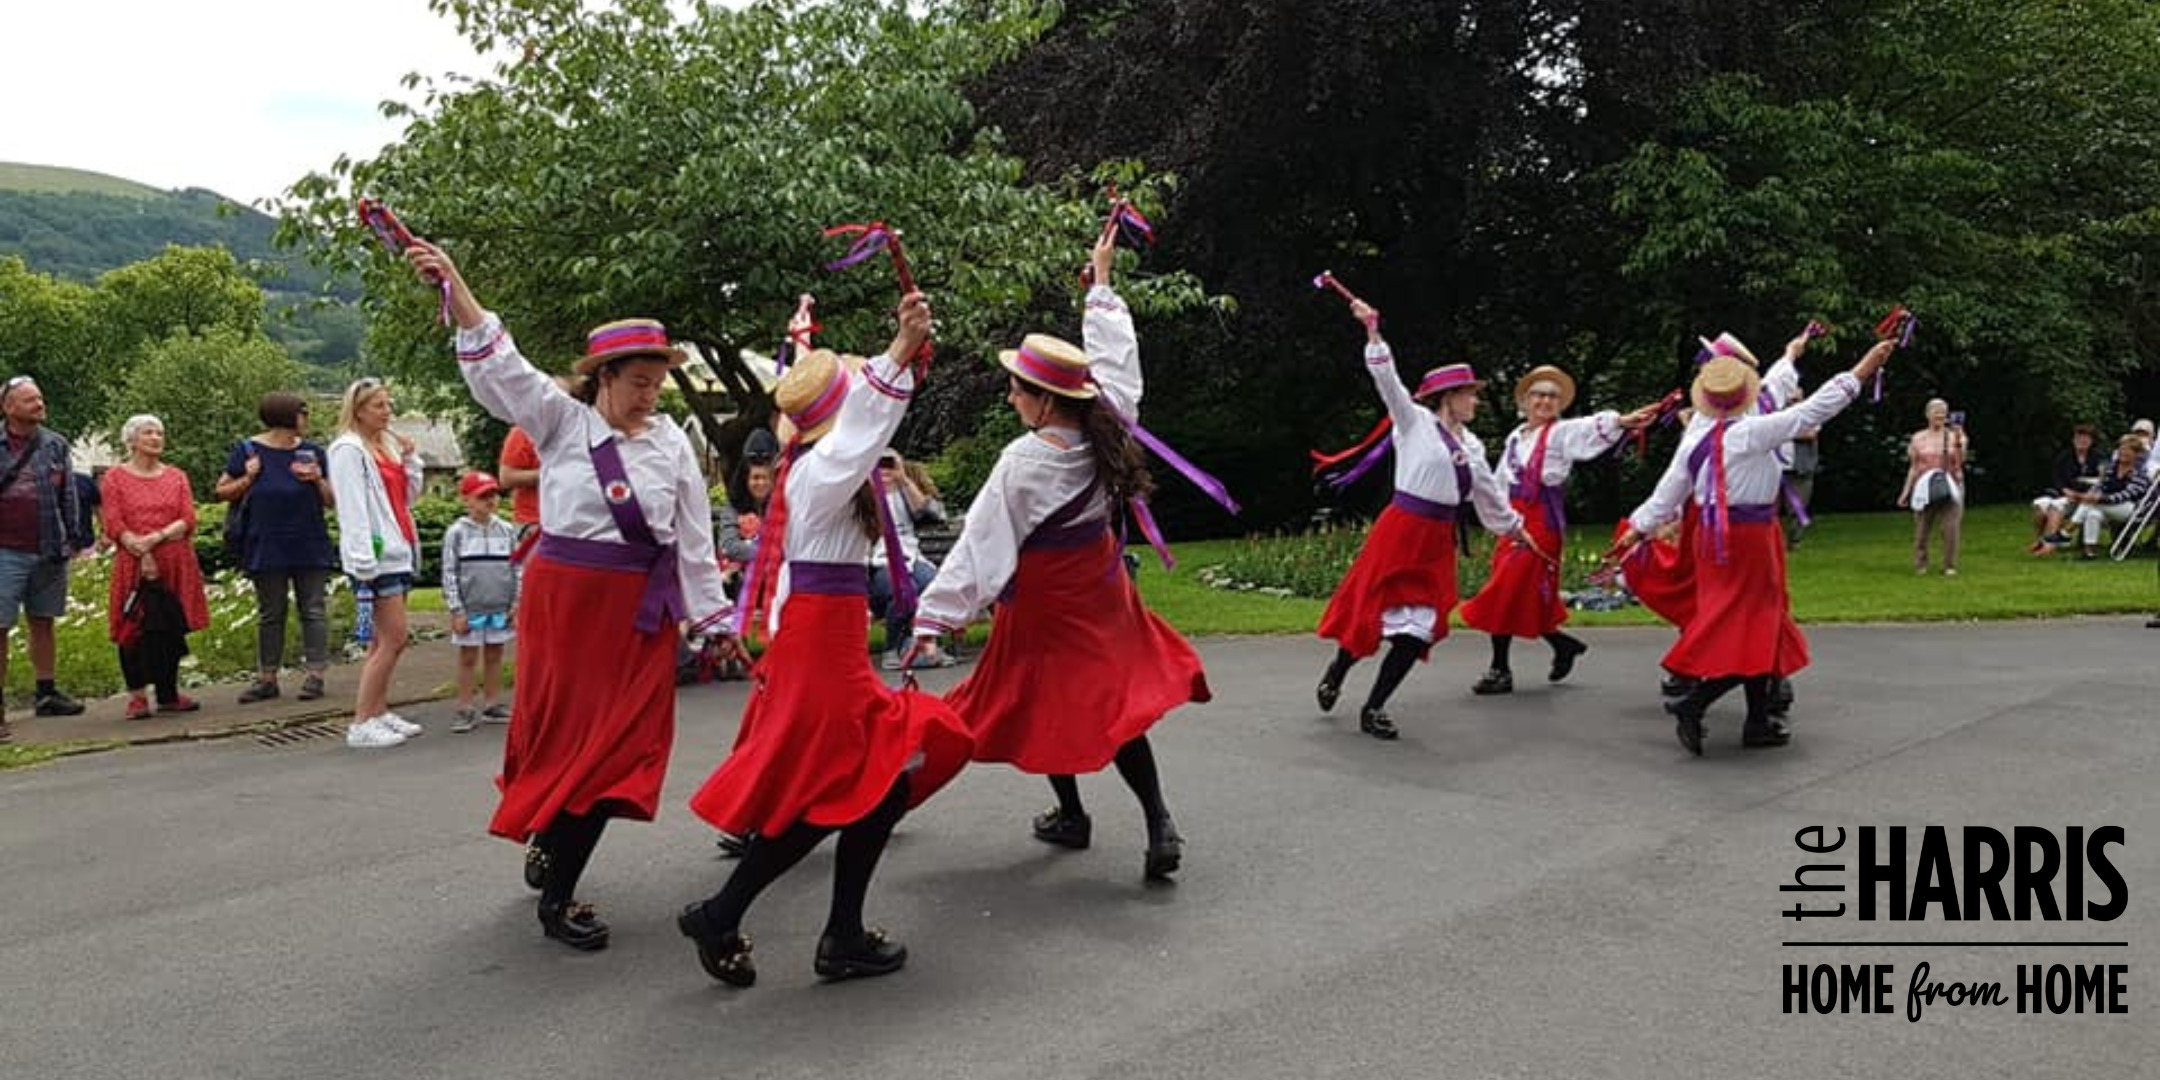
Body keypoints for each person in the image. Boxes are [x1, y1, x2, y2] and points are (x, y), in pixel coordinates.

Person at [404, 239, 740, 953]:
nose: (650, 394)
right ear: (604, 377)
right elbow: (503, 365)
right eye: (638, 381)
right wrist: (456, 281)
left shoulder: (673, 443)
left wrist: (714, 619)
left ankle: (552, 849)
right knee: (569, 740)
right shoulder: (561, 423)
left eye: (657, 382)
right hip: (568, 606)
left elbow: (689, 537)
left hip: (639, 610)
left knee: (622, 747)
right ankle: (558, 890)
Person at [685, 304, 975, 987]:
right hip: (823, 645)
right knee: (854, 784)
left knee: (872, 784)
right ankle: (737, 914)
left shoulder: (822, 473)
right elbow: (864, 430)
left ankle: (817, 928)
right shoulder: (822, 472)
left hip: (827, 638)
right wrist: (900, 348)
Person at [910, 234, 1207, 879]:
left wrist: (932, 618)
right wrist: (1101, 285)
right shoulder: (1109, 424)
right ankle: (1154, 819)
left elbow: (980, 546)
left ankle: (1079, 815)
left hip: (1046, 599)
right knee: (1111, 699)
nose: (1012, 398)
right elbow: (1118, 365)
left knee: (1038, 696)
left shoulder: (1023, 462)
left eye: (1018, 389)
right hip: (1102, 589)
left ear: (1045, 400)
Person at [1614, 338, 1896, 754]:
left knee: (1748, 625)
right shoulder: (1751, 432)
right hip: (1748, 541)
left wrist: (1637, 529)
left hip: (1710, 539)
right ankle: (1695, 703)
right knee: (1757, 627)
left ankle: (1757, 720)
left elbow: (1665, 495)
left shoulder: (1696, 437)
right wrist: (1864, 368)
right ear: (1746, 394)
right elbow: (1813, 409)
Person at [1313, 299, 1527, 741]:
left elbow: (1488, 496)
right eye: (1470, 394)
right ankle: (1338, 668)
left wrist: (1515, 530)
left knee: (1417, 631)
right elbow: (1387, 381)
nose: (1476, 401)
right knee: (1370, 615)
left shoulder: (1472, 448)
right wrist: (1373, 330)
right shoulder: (1414, 423)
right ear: (1449, 396)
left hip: (1435, 543)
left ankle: (1374, 708)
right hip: (1400, 530)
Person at [1457, 365, 1656, 694]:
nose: (1545, 400)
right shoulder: (1514, 437)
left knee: (1506, 590)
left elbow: (1587, 427)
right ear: (1525, 401)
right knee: (1519, 592)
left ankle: (1500, 669)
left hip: (1542, 522)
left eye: (1552, 396)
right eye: (1538, 394)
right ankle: (1562, 645)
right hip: (1514, 521)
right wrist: (1491, 512)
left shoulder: (1560, 433)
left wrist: (1620, 421)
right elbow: (1498, 481)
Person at [218, 392, 337, 703]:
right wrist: (249, 476)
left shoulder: (313, 453)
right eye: (303, 413)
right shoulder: (247, 450)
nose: (307, 419)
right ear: (287, 416)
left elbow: (331, 501)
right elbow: (222, 491)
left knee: (313, 609)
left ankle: (315, 674)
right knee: (271, 612)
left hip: (308, 541)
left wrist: (317, 480)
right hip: (265, 542)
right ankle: (267, 678)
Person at [328, 377, 427, 749]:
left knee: (383, 640)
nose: (388, 412)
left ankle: (378, 710)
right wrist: (362, 561)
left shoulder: (385, 445)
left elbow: (406, 496)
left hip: (399, 547)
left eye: (389, 405)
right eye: (379, 406)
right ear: (358, 410)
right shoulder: (348, 450)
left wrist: (411, 459)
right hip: (376, 554)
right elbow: (352, 506)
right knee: (395, 638)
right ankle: (361, 720)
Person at [100, 415, 210, 719]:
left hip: (174, 558)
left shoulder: (176, 476)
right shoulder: (114, 478)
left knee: (170, 625)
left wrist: (156, 538)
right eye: (148, 433)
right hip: (132, 559)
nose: (156, 438)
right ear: (132, 440)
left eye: (160, 432)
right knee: (134, 626)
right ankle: (137, 697)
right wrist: (139, 547)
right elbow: (113, 521)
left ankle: (168, 693)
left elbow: (187, 519)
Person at [1, 375, 90, 731]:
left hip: (49, 548)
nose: (39, 405)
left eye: (40, 399)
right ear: (8, 407)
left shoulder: (55, 445)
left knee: (44, 621)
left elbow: (68, 495)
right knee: (0, 626)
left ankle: (46, 693)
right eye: (30, 400)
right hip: (5, 549)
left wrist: (73, 540)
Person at [442, 471, 519, 733]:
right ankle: (464, 706)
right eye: (482, 496)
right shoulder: (457, 533)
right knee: (468, 657)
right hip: (471, 607)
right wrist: (456, 610)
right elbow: (450, 572)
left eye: (493, 495)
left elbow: (517, 568)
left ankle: (492, 703)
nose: (490, 501)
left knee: (496, 653)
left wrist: (516, 603)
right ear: (467, 500)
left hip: (499, 606)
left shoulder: (507, 530)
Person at [868, 448, 953, 670]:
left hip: (911, 555)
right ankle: (891, 647)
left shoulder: (907, 489)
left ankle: (929, 645)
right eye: (880, 463)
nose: (885, 468)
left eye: (889, 463)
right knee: (904, 589)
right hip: (879, 560)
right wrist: (870, 482)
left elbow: (934, 514)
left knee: (932, 585)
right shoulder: (865, 493)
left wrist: (903, 479)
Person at [1897, 398, 1967, 576]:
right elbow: (1913, 467)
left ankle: (1949, 565)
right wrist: (1906, 492)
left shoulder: (1954, 437)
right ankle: (1921, 564)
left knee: (1950, 527)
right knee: (1922, 527)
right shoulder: (1918, 438)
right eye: (1935, 411)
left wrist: (1959, 439)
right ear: (1927, 414)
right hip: (1924, 486)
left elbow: (1960, 461)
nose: (1939, 414)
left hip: (1951, 484)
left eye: (1943, 411)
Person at [2063, 435, 2152, 560]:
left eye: (2127, 450)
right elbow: (2100, 485)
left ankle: (2066, 533)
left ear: (2136, 454)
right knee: (2092, 513)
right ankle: (2089, 552)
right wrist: (2093, 495)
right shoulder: (2112, 467)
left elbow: (2125, 496)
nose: (2123, 452)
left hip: (2131, 508)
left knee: (2091, 503)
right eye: (2121, 449)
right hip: (2108, 506)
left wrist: (2099, 498)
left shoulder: (2140, 473)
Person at [2030, 425, 2105, 551]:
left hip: (2084, 497)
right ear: (2073, 440)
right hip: (2063, 493)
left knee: (2056, 507)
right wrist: (2065, 490)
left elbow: (2102, 479)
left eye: (2085, 439)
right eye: (2078, 438)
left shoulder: (2098, 457)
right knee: (2041, 506)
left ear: (2091, 441)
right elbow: (2056, 478)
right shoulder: (2064, 457)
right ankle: (2039, 540)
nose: (2082, 442)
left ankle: (2049, 545)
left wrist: (2079, 493)